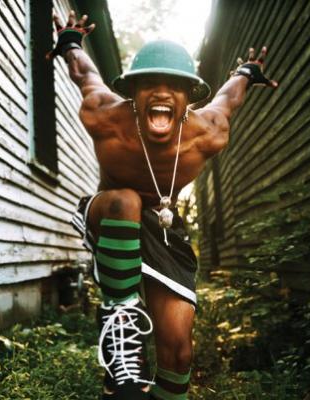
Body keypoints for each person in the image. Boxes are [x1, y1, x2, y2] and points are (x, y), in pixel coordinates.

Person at [48, 9, 277, 400]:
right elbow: (86, 75)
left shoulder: (207, 131)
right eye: (149, 83)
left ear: (188, 98)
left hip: (164, 227)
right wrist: (70, 42)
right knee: (126, 200)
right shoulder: (107, 117)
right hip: (109, 213)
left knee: (179, 352)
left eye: (174, 85)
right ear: (133, 94)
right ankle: (121, 320)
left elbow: (227, 98)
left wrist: (245, 72)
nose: (161, 92)